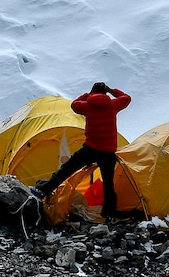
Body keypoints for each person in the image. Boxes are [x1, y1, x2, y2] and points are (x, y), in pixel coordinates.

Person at [31, 82, 131, 220]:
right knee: (108, 183)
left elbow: (74, 104)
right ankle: (109, 212)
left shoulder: (87, 106)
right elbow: (127, 98)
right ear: (105, 93)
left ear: (93, 92)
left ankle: (44, 190)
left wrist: (87, 95)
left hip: (90, 148)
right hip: (108, 151)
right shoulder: (113, 105)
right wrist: (113, 90)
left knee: (67, 169)